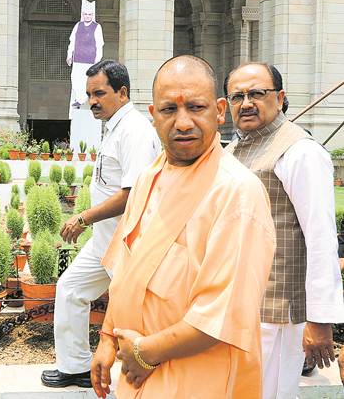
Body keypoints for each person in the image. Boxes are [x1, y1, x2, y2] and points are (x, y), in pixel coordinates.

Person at [90, 55, 276, 398]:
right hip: (137, 375)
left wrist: (144, 353)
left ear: (219, 111)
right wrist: (107, 338)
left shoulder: (236, 193)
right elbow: (126, 271)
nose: (184, 122)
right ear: (153, 115)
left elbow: (222, 315)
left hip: (197, 380)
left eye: (196, 107)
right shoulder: (148, 178)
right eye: (169, 110)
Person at [223, 63, 344, 399]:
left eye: (256, 93)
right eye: (237, 96)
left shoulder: (300, 151)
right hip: (235, 304)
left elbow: (321, 239)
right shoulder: (233, 150)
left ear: (279, 98)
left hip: (275, 311)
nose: (246, 103)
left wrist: (319, 320)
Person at [41, 60, 160, 388]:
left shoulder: (135, 131)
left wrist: (83, 217)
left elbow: (133, 194)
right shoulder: (114, 126)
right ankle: (75, 367)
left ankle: (152, 378)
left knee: (137, 315)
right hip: (105, 240)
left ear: (122, 92)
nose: (92, 101)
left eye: (99, 93)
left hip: (129, 244)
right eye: (89, 94)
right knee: (71, 288)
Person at [67, 0, 103, 109]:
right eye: (86, 14)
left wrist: (97, 60)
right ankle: (79, 99)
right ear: (83, 15)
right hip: (78, 58)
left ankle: (86, 99)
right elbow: (72, 41)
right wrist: (69, 55)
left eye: (89, 14)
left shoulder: (97, 27)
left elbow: (99, 44)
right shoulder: (78, 25)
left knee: (87, 80)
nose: (87, 16)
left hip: (90, 60)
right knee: (76, 79)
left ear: (92, 15)